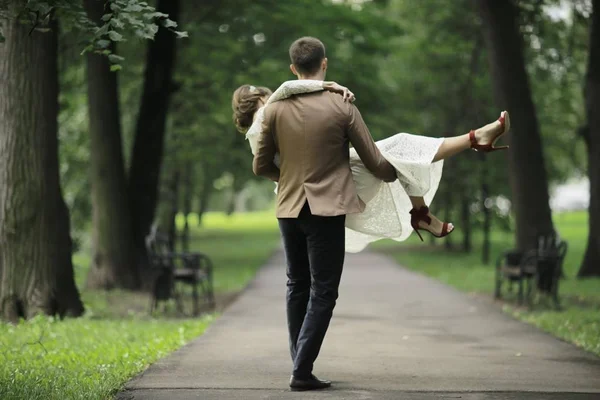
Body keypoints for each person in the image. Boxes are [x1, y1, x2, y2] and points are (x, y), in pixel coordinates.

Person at [231, 37, 509, 391]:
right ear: (325, 63)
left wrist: (289, 179)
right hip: (327, 205)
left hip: (288, 206)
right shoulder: (340, 105)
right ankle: (301, 370)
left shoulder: (273, 111)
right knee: (324, 290)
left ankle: (299, 363)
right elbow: (377, 164)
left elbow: (260, 167)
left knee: (297, 284)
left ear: (292, 69)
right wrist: (396, 175)